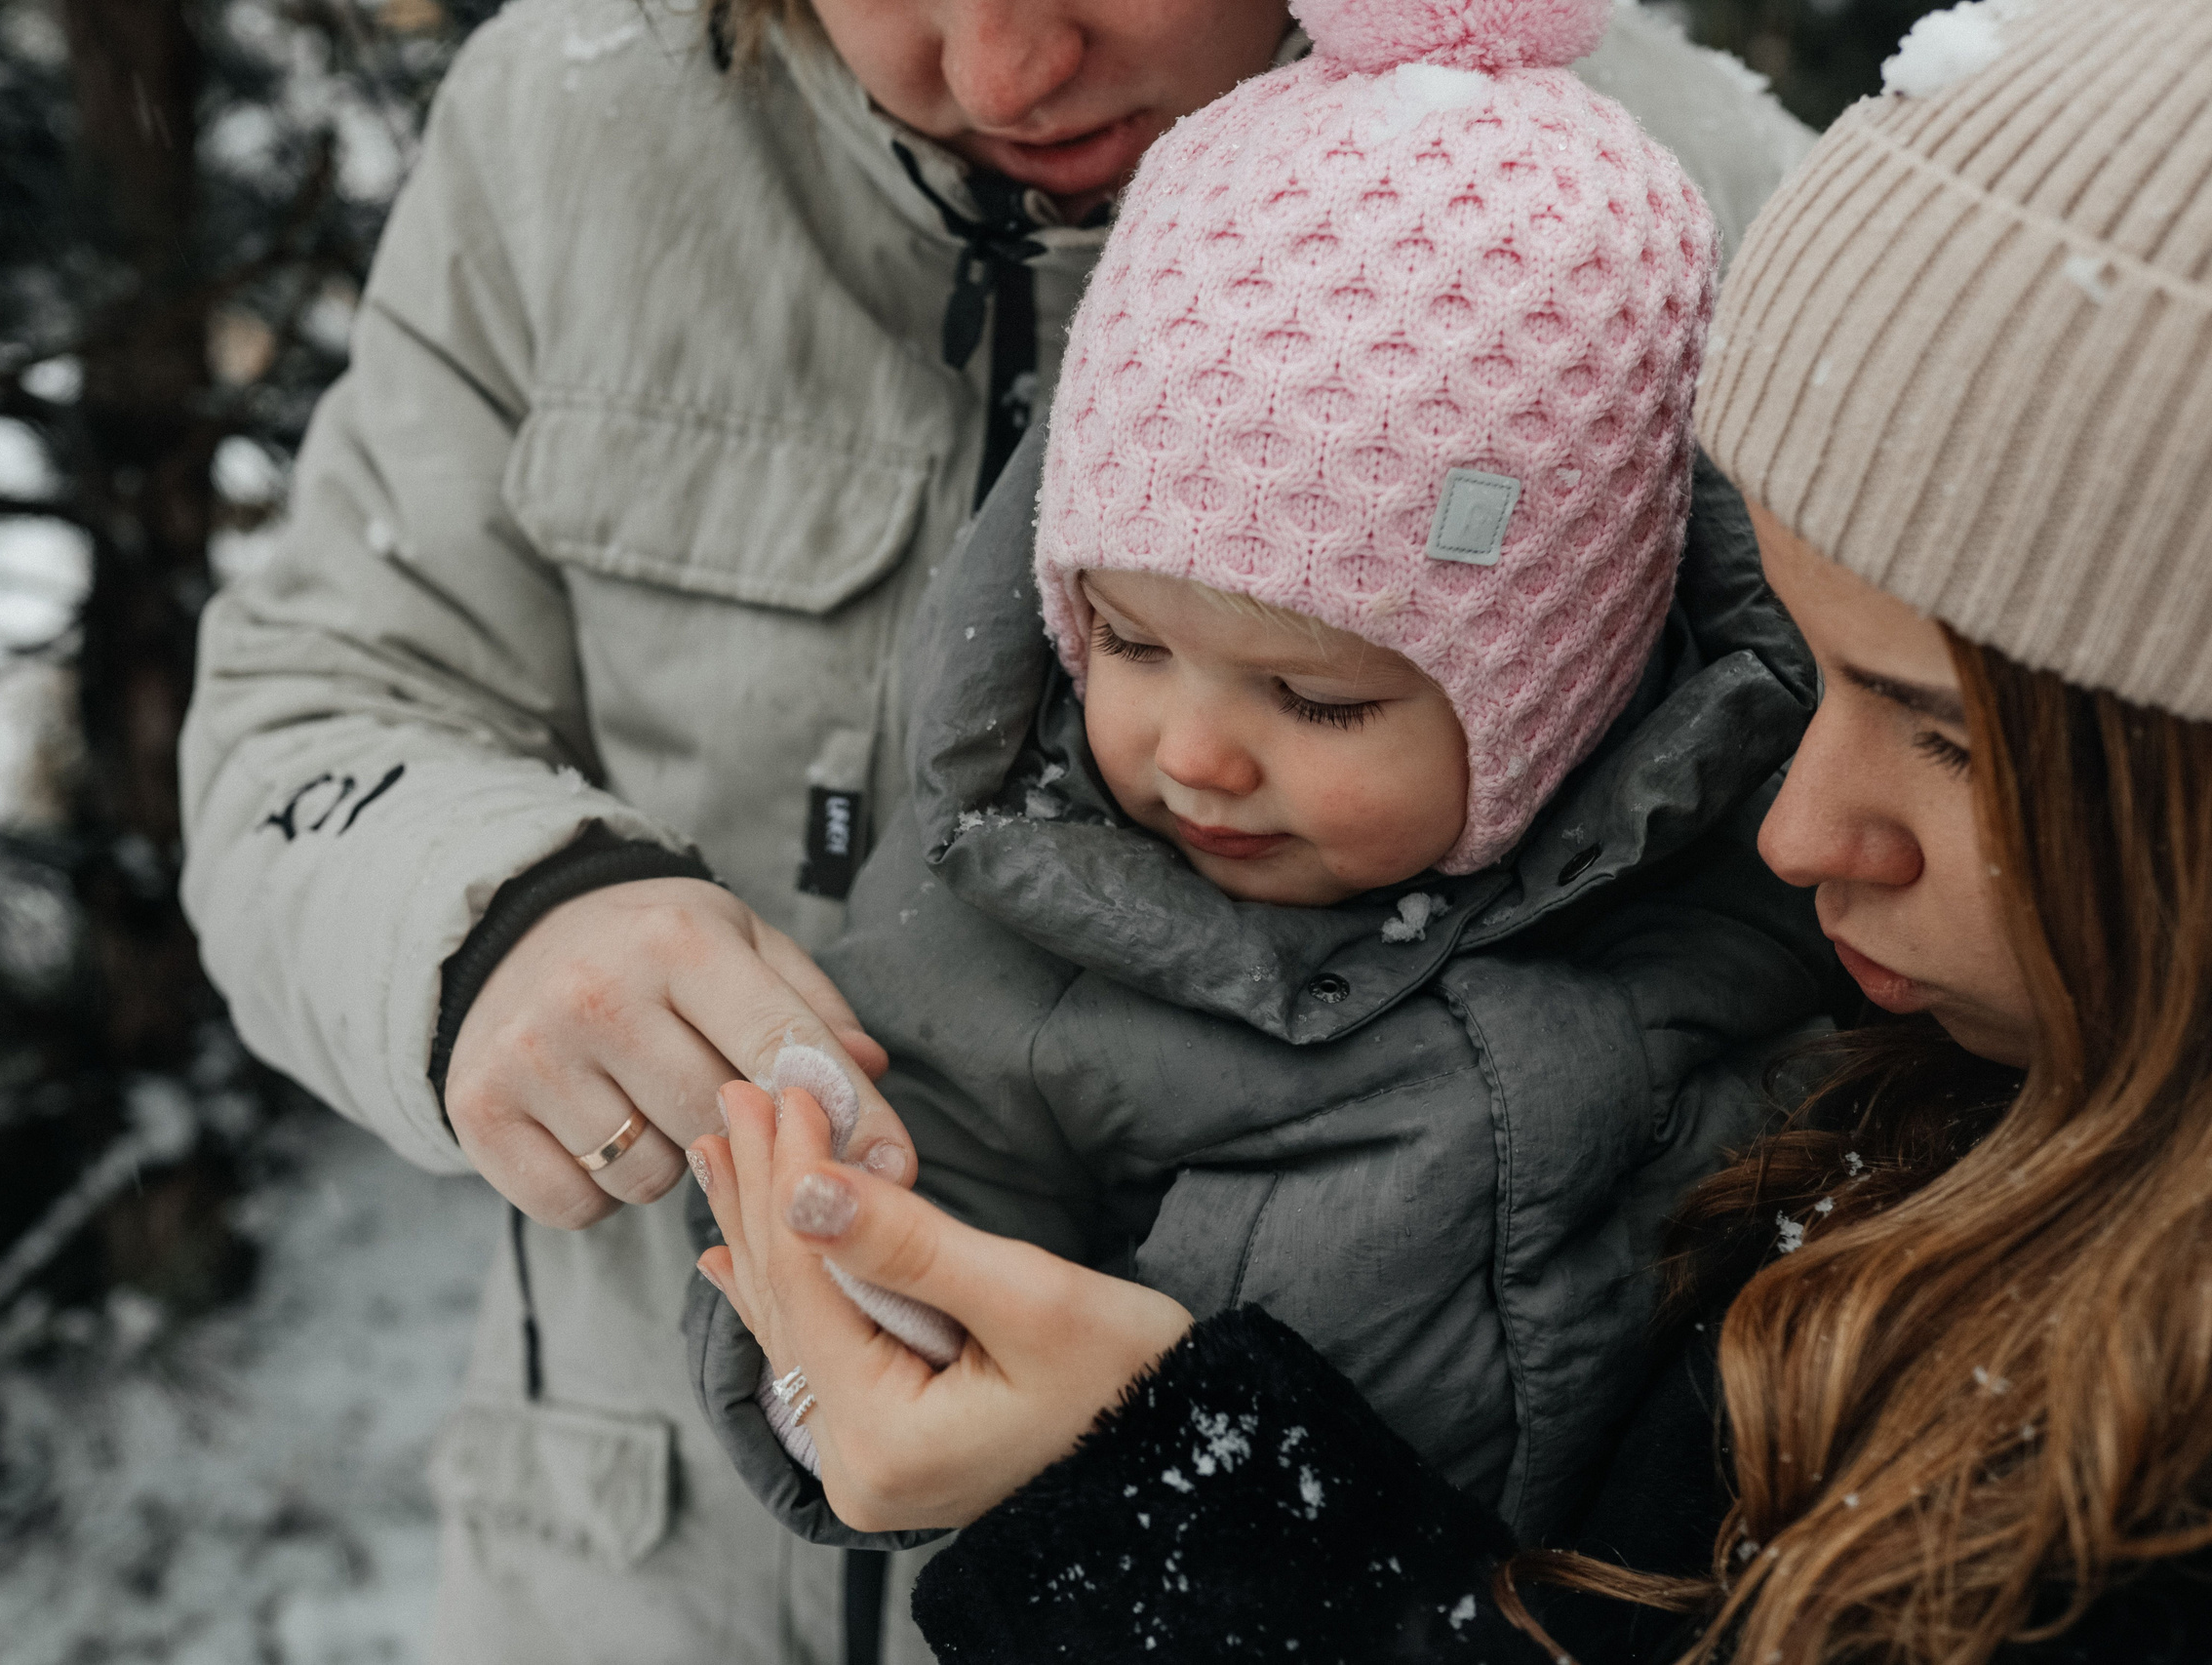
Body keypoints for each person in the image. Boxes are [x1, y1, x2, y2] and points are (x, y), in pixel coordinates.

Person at [174, 0, 1813, 1653]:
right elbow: (316, 700)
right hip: (633, 1578)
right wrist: (496, 917)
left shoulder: (1696, 207)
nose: (1002, 74)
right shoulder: (577, 118)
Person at [689, 0, 2212, 1658]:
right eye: (1125, 643)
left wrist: (1169, 1506)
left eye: (1946, 739)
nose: (1798, 833)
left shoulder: (1737, 915)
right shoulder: (1950, 1080)